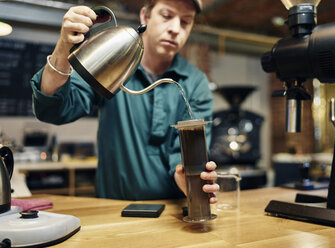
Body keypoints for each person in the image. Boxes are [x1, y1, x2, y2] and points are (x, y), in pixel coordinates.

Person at [30, 0, 219, 202]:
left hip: (171, 213)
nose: (175, 29)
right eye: (166, 16)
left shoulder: (195, 82)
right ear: (145, 16)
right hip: (112, 210)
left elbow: (186, 152)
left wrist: (188, 176)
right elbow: (52, 109)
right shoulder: (112, 62)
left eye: (185, 22)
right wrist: (63, 48)